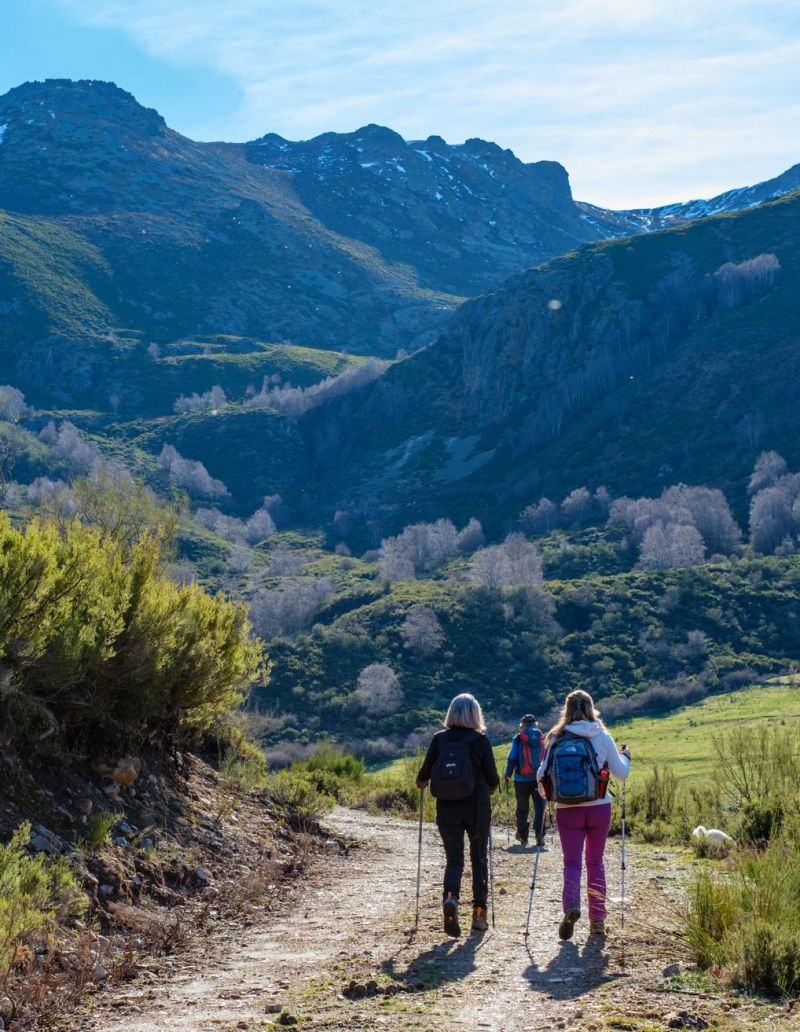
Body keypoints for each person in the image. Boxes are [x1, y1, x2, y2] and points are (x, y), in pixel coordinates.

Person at [537, 689, 630, 940]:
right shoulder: (602, 735)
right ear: (591, 707)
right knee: (595, 862)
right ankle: (597, 920)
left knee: (571, 862)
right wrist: (625, 756)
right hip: (599, 806)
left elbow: (541, 776)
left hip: (567, 810)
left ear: (566, 710)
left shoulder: (555, 737)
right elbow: (621, 774)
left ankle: (571, 906)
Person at [417, 692, 500, 936]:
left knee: (454, 860)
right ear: (476, 714)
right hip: (476, 808)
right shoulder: (480, 741)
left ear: (451, 713)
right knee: (478, 859)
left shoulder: (439, 740)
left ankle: (450, 898)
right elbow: (493, 779)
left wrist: (423, 784)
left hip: (446, 808)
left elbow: (422, 777)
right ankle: (479, 914)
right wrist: (489, 789)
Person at [504, 714, 546, 848]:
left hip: (521, 779)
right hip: (540, 778)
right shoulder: (542, 737)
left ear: (522, 725)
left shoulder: (518, 738)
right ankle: (539, 835)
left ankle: (523, 836)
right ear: (535, 724)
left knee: (522, 808)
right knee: (540, 807)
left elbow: (512, 757)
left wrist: (507, 774)